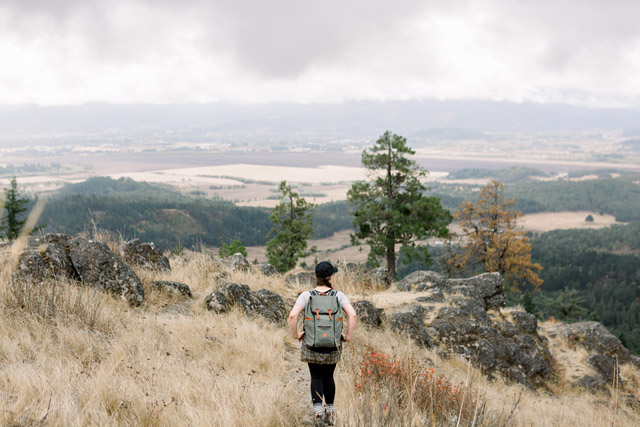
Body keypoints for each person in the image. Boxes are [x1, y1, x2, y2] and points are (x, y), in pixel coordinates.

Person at [288, 261, 357, 426]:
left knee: (316, 376)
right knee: (329, 376)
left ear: (316, 276)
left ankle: (318, 412)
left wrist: (295, 334)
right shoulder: (339, 295)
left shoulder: (307, 295)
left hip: (312, 344)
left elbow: (292, 316)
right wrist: (346, 336)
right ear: (330, 277)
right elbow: (352, 315)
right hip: (333, 344)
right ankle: (330, 410)